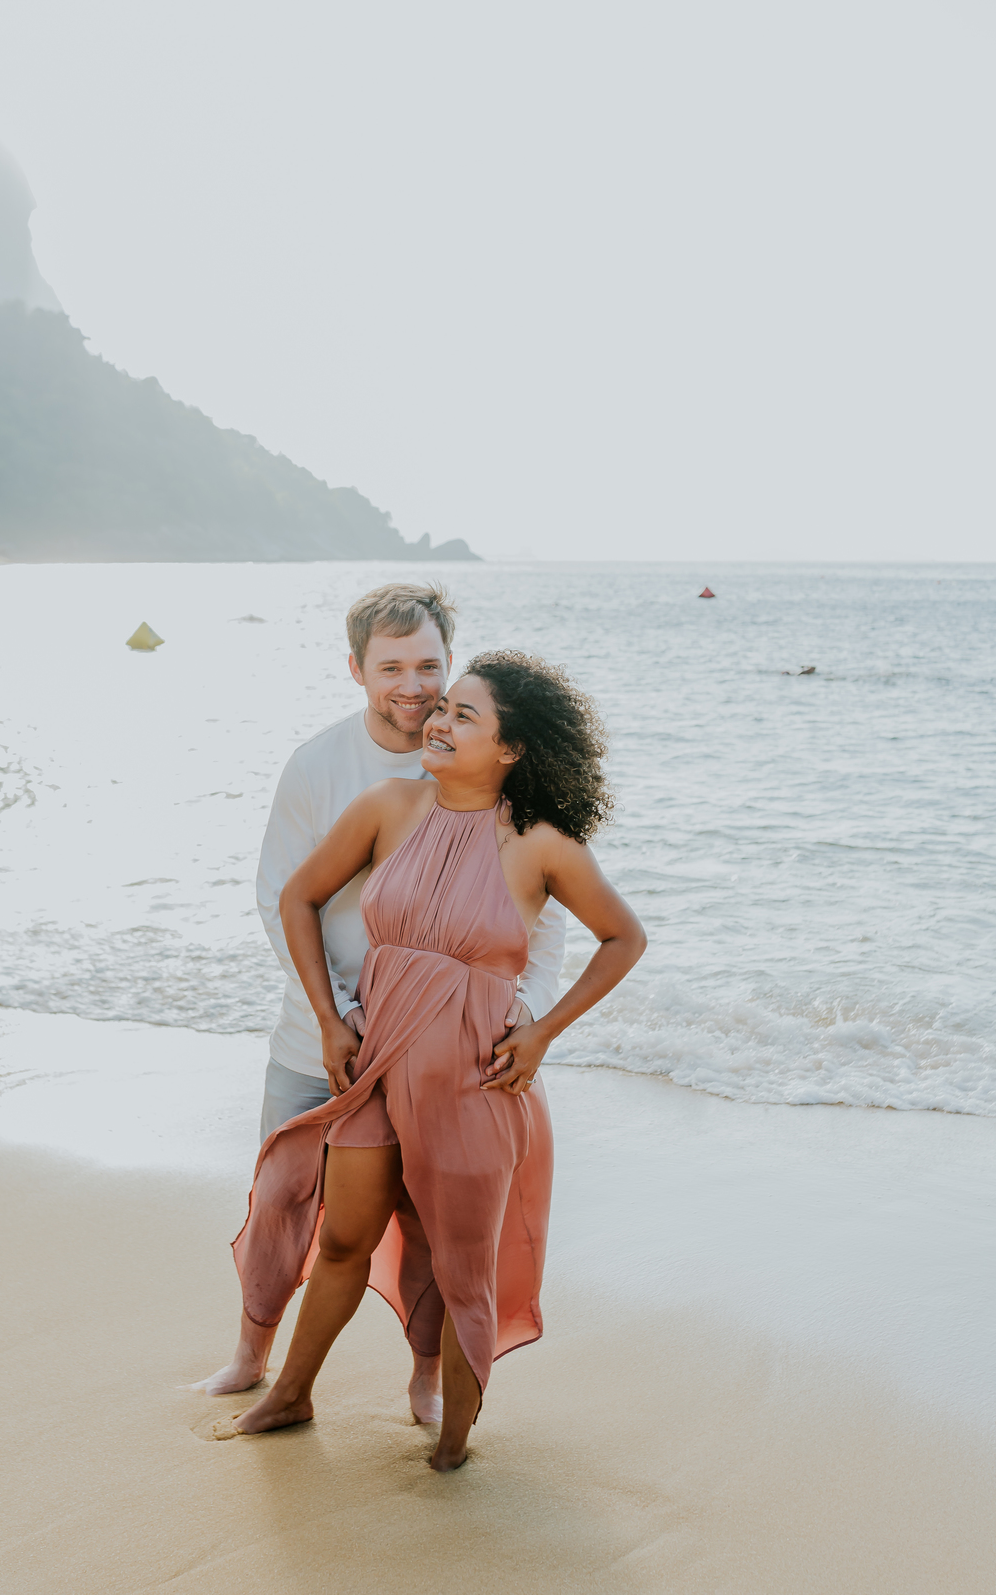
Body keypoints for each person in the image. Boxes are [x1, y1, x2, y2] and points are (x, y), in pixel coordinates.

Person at [230, 651, 646, 1471]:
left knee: (463, 1266)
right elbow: (297, 897)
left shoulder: (542, 843)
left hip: (473, 1078)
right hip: (377, 1061)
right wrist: (329, 1019)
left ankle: (453, 1446)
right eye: (442, 707)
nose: (438, 721)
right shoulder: (389, 806)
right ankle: (289, 1393)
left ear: (511, 749)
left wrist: (543, 1032)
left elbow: (624, 937)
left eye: (464, 715)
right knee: (344, 1237)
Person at [194, 586, 566, 1420]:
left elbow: (540, 931)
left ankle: (425, 1381)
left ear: (451, 664)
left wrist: (528, 1018)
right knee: (282, 1200)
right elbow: (278, 898)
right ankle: (252, 1358)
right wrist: (334, 1016)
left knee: (431, 1224)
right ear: (356, 669)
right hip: (321, 1038)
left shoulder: (492, 767)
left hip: (445, 1055)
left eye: (430, 665)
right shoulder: (320, 767)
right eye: (391, 666)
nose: (414, 685)